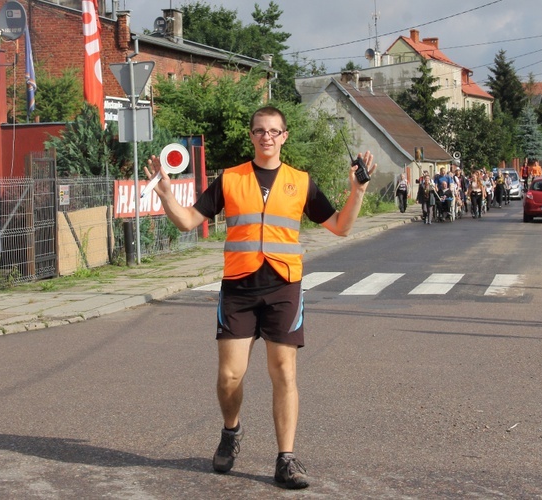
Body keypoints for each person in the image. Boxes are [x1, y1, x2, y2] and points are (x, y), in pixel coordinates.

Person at [144, 106, 377, 490]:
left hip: (284, 286)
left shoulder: (300, 182)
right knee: (229, 376)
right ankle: (231, 432)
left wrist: (358, 191)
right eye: (259, 131)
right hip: (239, 287)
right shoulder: (230, 179)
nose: (266, 137)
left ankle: (286, 458)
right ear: (251, 136)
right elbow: (187, 221)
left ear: (284, 136)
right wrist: (167, 193)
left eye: (274, 131)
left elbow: (340, 227)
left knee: (284, 372)